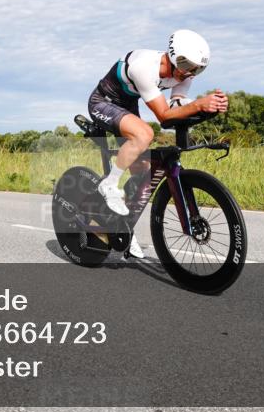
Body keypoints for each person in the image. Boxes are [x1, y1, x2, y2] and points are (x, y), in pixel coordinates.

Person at [88, 29, 229, 257]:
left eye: (198, 69)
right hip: (102, 102)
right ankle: (109, 184)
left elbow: (176, 106)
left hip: (127, 104)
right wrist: (199, 104)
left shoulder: (186, 73)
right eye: (187, 66)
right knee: (144, 135)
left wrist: (208, 108)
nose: (190, 73)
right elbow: (163, 116)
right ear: (173, 57)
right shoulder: (144, 66)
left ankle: (122, 226)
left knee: (142, 169)